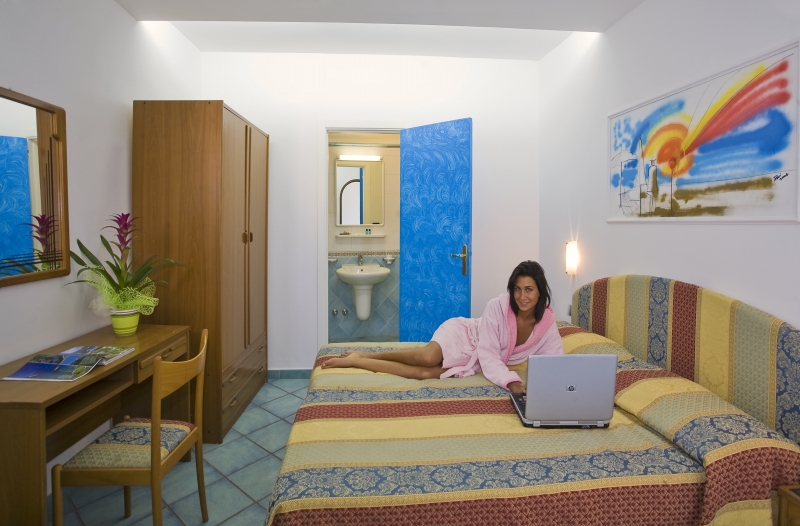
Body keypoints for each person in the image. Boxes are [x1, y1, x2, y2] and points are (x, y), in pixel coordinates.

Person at [321, 260, 564, 393]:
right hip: (464, 335)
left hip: (476, 359)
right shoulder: (497, 307)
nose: (522, 296)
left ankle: (359, 362)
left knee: (424, 374)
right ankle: (365, 354)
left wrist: (548, 386)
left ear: (540, 292)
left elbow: (554, 361)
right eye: (517, 289)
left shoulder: (547, 325)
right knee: (427, 357)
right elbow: (490, 354)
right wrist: (511, 381)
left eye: (529, 290)